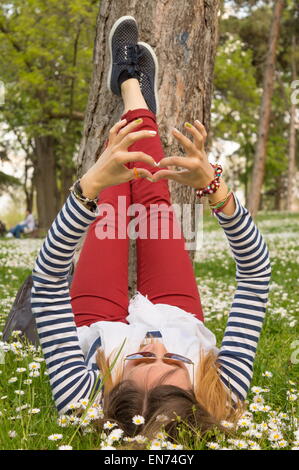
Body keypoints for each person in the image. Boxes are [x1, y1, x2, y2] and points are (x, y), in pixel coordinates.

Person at [30, 16, 271, 441]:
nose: (152, 344)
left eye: (139, 362)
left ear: (112, 394)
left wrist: (87, 189)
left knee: (113, 201)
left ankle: (128, 89)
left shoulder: (80, 400)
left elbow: (48, 284)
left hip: (98, 325)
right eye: (174, 361)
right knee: (156, 198)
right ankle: (137, 101)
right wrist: (215, 190)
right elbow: (255, 278)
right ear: (199, 393)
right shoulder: (224, 393)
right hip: (179, 313)